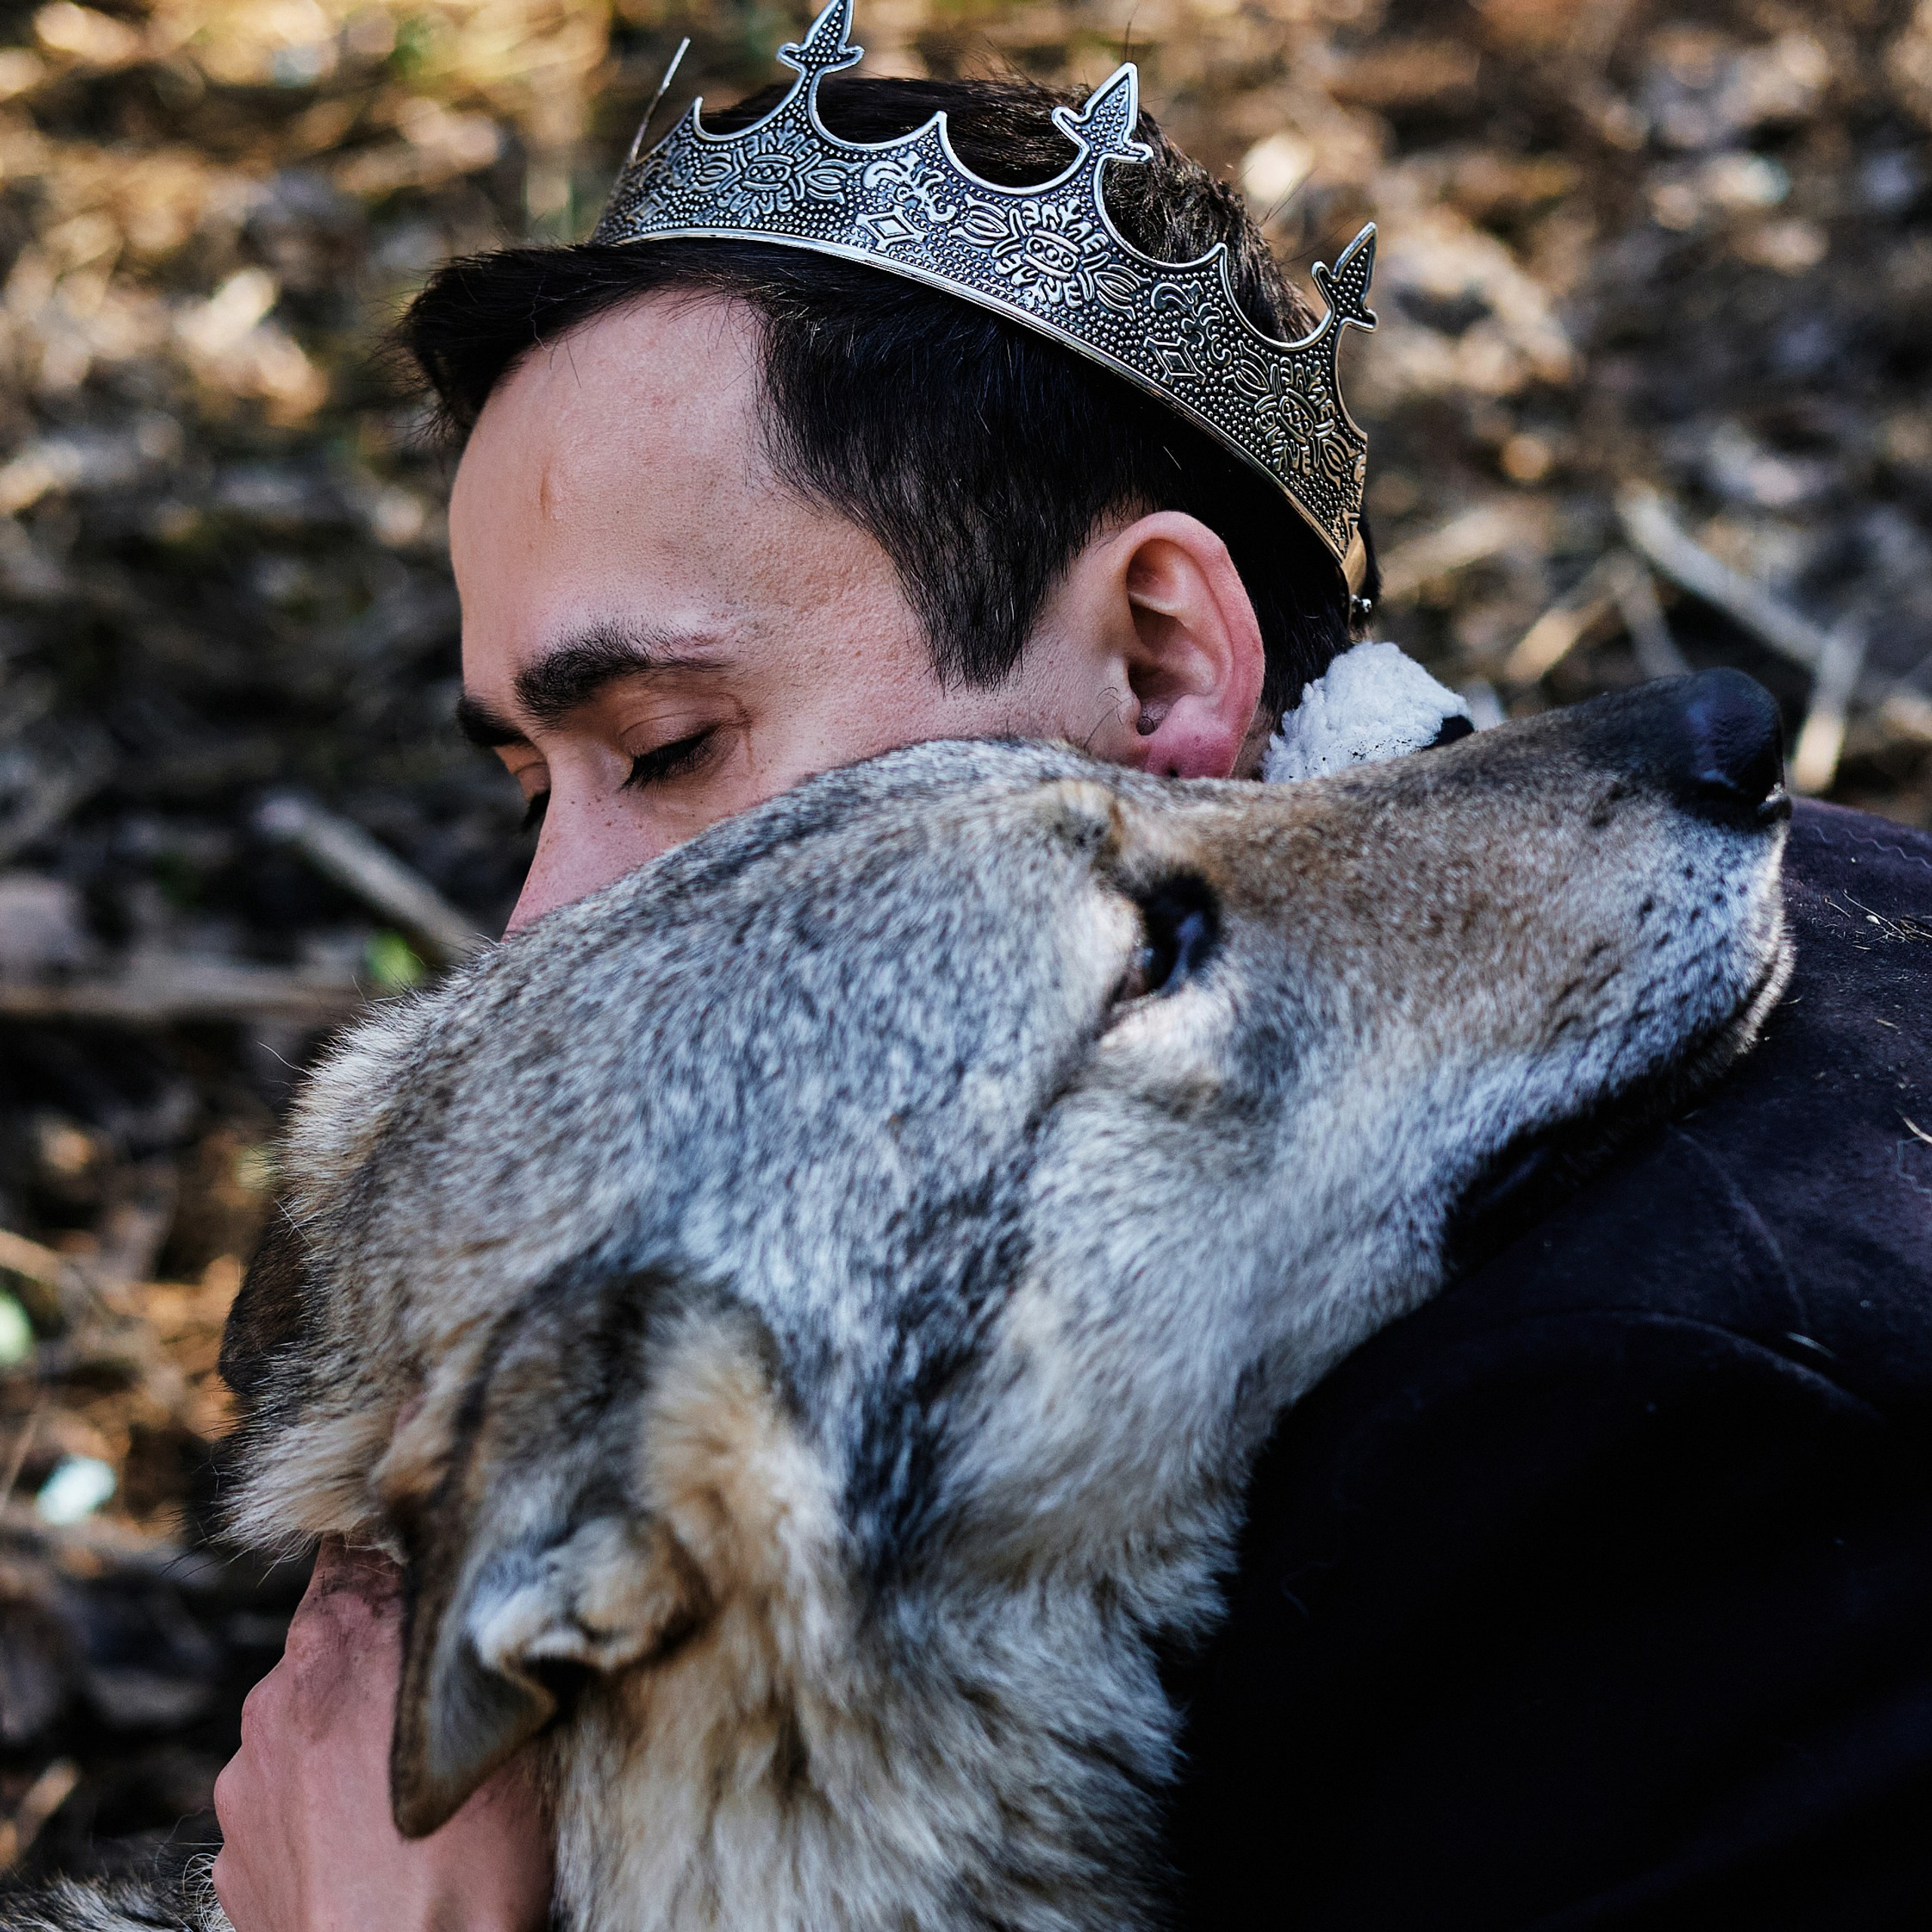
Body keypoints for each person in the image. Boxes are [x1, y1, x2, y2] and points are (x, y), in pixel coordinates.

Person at [208, 16, 1932, 1932]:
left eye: (675, 741)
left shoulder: (1668, 1447)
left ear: (1159, 665)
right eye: (531, 781)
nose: (543, 931)